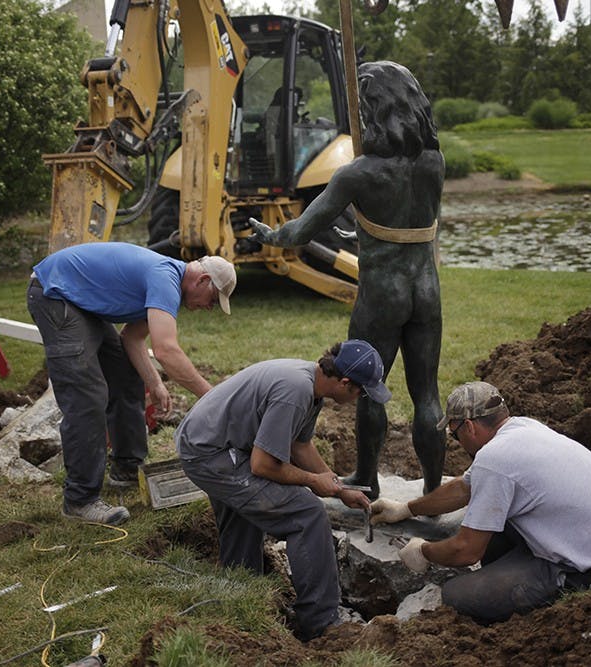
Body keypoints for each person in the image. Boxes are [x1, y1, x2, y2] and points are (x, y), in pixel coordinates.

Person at [249, 61, 445, 499]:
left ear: (371, 107)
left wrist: (270, 235)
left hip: (383, 294)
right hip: (427, 289)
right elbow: (415, 222)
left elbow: (299, 231)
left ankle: (367, 478)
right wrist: (367, 226)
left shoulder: (359, 173)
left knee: (369, 388)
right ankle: (434, 489)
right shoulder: (435, 161)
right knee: (426, 394)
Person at [371, 381, 591, 624]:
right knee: (495, 520)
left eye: (455, 435)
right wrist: (407, 508)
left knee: (457, 594)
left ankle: (549, 594)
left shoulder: (495, 459)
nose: (458, 442)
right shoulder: (524, 428)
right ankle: (514, 572)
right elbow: (464, 488)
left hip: (590, 572)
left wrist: (424, 551)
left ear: (469, 426)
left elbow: (466, 552)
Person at [175, 340, 388, 641]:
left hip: (216, 444)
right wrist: (314, 483)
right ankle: (322, 622)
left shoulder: (312, 387)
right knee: (307, 514)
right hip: (211, 454)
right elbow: (263, 466)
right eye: (361, 392)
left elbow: (298, 445)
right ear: (345, 383)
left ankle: (242, 591)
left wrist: (339, 489)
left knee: (247, 511)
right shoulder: (296, 392)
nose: (360, 399)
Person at [27, 242, 236, 526]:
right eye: (213, 299)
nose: (210, 307)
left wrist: (155, 384)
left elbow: (132, 338)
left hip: (78, 298)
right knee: (87, 396)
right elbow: (166, 350)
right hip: (56, 293)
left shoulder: (164, 278)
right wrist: (212, 396)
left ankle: (126, 469)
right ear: (202, 280)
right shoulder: (166, 278)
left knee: (125, 375)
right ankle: (80, 500)